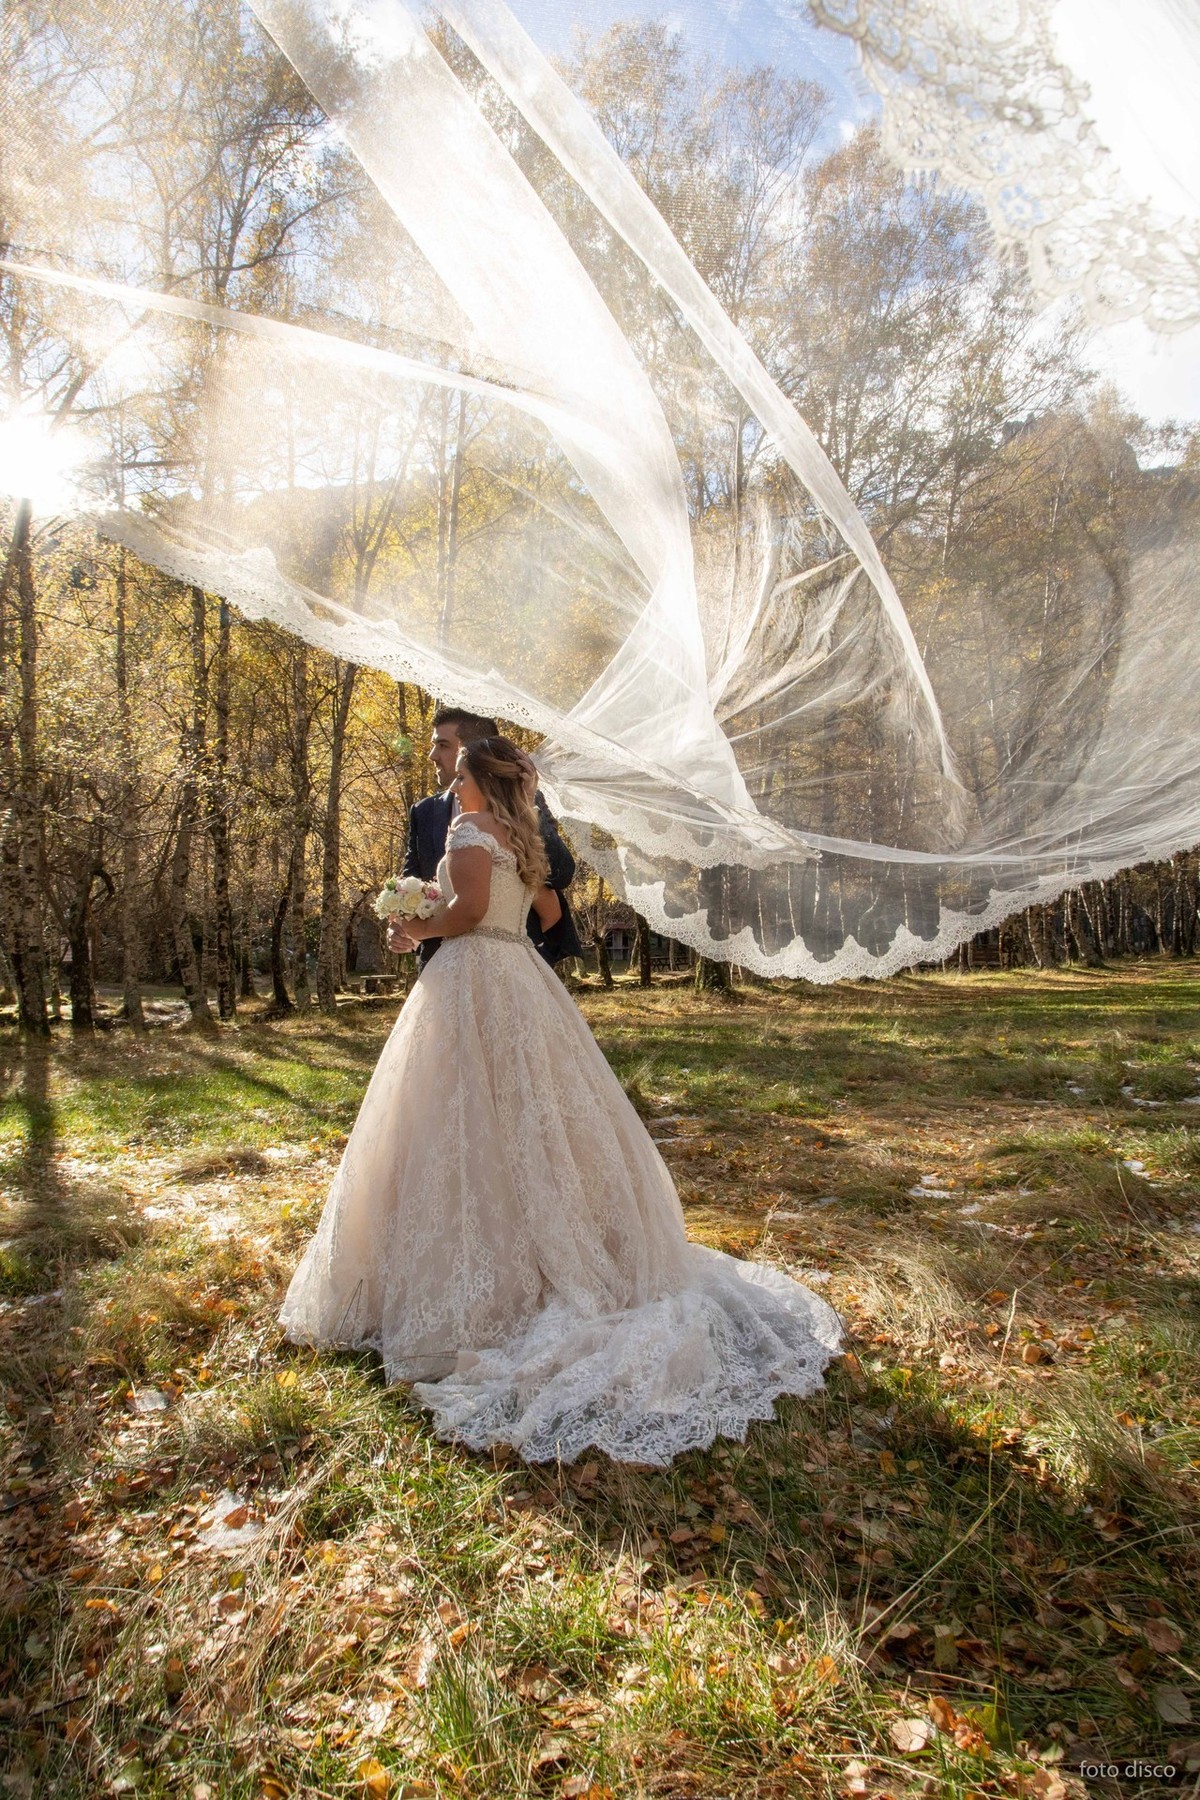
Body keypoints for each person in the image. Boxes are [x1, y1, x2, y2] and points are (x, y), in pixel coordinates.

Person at [280, 735, 841, 1465]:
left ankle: (486, 1283)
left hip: (475, 980)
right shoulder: (520, 833)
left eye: (458, 772)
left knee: (462, 1120)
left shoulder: (469, 829)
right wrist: (448, 918)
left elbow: (470, 909)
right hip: (520, 981)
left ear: (480, 780)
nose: (450, 781)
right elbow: (540, 916)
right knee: (527, 1118)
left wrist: (416, 925)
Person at [402, 706, 582, 970]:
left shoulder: (528, 806)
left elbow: (561, 874)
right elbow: (413, 880)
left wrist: (527, 803)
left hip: (517, 965)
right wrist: (403, 925)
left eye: (442, 745)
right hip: (443, 965)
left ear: (475, 749)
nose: (432, 755)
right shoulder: (424, 811)